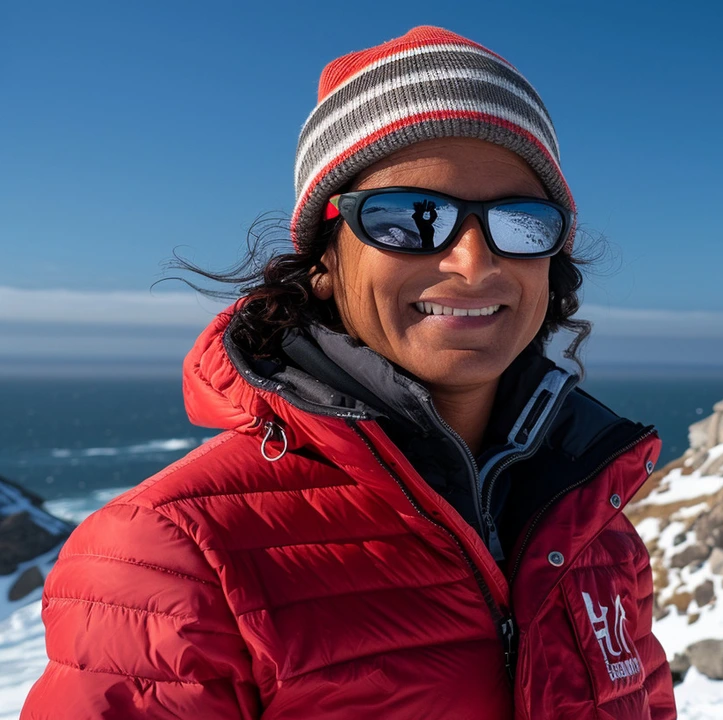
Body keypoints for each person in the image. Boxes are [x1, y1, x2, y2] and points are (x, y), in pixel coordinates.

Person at [21, 26, 675, 720]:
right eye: (410, 218)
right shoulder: (169, 556)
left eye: (521, 221)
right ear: (324, 261)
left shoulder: (598, 537)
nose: (474, 262)